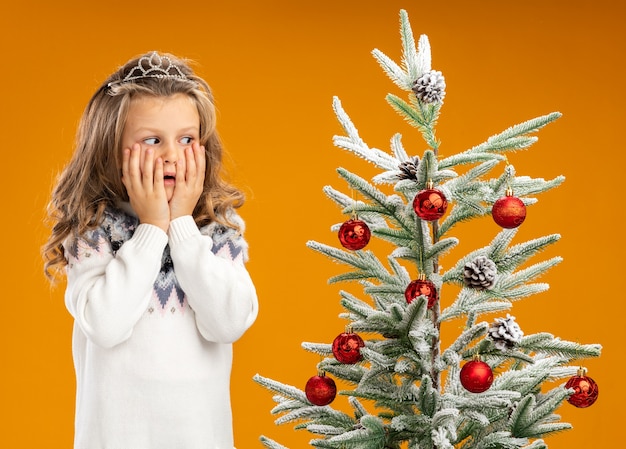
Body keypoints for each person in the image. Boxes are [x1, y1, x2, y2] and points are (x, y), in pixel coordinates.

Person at [42, 51, 258, 449]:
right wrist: (152, 228)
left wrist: (181, 228)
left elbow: (229, 322)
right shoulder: (93, 228)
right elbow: (105, 325)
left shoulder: (216, 226)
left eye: (187, 139)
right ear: (110, 148)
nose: (172, 155)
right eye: (152, 140)